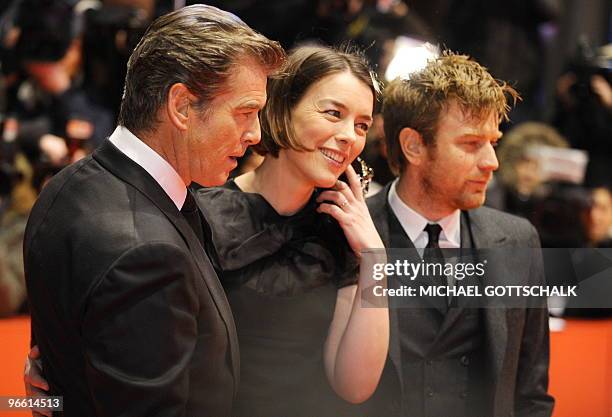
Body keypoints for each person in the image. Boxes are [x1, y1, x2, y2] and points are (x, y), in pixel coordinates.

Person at [23, 5, 284, 417]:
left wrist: (60, 401)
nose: (254, 134)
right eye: (245, 112)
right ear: (181, 106)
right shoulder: (145, 254)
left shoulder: (65, 186)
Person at [193, 44, 389, 417]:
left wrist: (376, 261)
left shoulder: (346, 230)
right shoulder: (201, 212)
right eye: (334, 113)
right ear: (283, 108)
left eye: (362, 125)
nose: (350, 136)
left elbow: (355, 386)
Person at [363, 52, 555, 417]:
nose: (492, 162)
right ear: (414, 146)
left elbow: (530, 394)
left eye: (493, 142)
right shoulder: (348, 236)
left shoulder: (517, 240)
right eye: (470, 144)